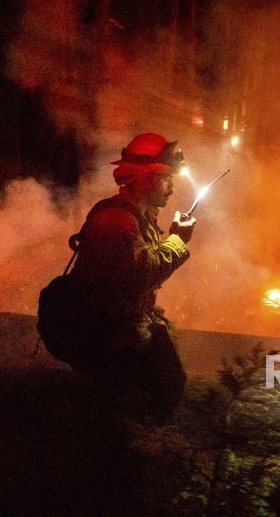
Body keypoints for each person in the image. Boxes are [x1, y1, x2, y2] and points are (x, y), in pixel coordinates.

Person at [66, 132, 195, 417]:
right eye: (166, 179)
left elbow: (130, 280)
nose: (172, 188)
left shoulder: (137, 217)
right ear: (146, 178)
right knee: (164, 387)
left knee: (159, 382)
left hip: (123, 332)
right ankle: (136, 443)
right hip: (110, 341)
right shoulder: (117, 221)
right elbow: (140, 273)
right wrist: (177, 241)